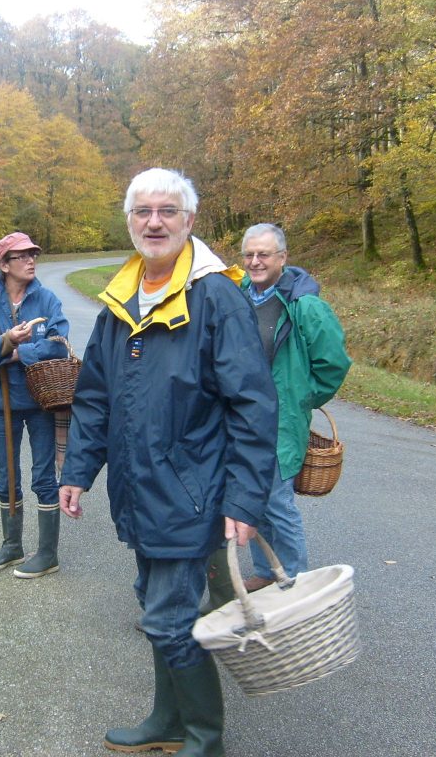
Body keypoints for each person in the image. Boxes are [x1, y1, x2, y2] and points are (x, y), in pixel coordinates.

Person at [59, 169, 278, 756]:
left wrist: (245, 499)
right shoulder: (122, 298)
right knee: (154, 606)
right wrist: (78, 469)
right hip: (141, 489)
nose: (154, 221)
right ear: (129, 220)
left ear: (189, 221)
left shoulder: (216, 296)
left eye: (167, 211)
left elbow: (253, 406)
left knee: (170, 618)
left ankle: (206, 739)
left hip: (192, 490)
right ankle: (168, 719)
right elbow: (96, 396)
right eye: (142, 211)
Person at [223, 222, 352, 595]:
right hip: (240, 417)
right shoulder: (238, 295)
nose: (255, 261)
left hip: (280, 420)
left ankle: (296, 582)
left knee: (277, 501)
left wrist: (300, 398)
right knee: (251, 495)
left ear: (283, 257)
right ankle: (266, 570)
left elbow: (334, 363)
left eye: (264, 254)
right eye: (249, 254)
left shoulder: (304, 305)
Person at [0, 232, 70, 578]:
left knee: (43, 475)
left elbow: (59, 342)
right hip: (0, 401)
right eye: (22, 256)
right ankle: (12, 546)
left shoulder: (47, 299)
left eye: (33, 255)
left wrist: (17, 351)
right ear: (4, 264)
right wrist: (6, 339)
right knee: (7, 476)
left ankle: (47, 553)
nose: (30, 261)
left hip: (41, 399)